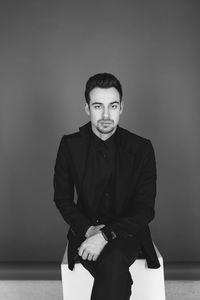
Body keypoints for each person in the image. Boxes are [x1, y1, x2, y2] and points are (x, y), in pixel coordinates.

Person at [53, 73, 160, 300]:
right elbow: (62, 199)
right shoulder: (70, 145)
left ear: (121, 107)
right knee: (114, 267)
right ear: (87, 108)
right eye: (97, 106)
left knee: (113, 261)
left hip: (128, 233)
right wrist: (89, 231)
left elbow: (145, 209)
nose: (105, 115)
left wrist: (104, 236)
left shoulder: (141, 148)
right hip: (84, 231)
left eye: (112, 106)